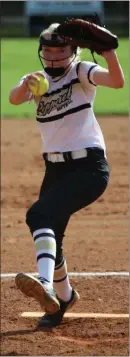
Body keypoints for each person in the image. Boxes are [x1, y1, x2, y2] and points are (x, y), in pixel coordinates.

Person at [9, 22, 124, 328]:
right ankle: (63, 298)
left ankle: (45, 285)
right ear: (41, 52)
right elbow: (14, 98)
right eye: (49, 50)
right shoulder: (37, 80)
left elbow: (116, 81)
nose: (55, 57)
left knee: (38, 215)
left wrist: (109, 54)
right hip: (55, 169)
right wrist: (25, 86)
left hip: (88, 168)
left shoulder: (82, 72)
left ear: (73, 51)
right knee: (52, 239)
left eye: (62, 51)